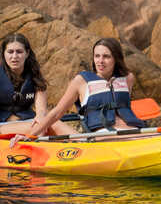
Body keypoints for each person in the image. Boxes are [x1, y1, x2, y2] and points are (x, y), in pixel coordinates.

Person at [10, 38, 145, 147]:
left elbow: (125, 107)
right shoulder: (81, 81)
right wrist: (29, 136)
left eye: (106, 56)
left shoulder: (128, 78)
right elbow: (57, 112)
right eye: (97, 56)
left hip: (135, 131)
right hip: (104, 136)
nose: (100, 61)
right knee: (55, 123)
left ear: (116, 58)